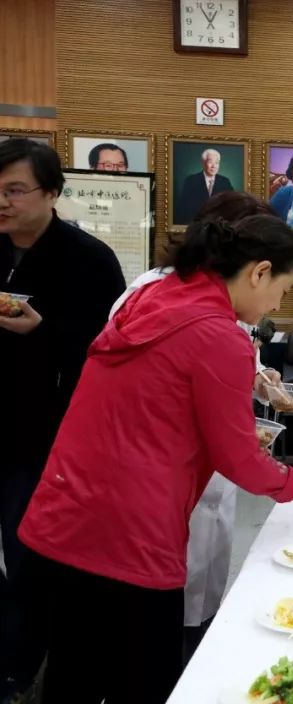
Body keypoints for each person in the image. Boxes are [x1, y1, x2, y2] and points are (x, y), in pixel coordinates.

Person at [16, 212, 293, 704]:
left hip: (68, 510)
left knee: (74, 670)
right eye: (283, 288)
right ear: (258, 271)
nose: (278, 302)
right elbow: (239, 460)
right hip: (134, 531)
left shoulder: (154, 297)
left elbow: (154, 399)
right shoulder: (217, 333)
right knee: (148, 678)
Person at [107, 191, 286, 666]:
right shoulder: (153, 290)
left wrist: (259, 378)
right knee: (153, 628)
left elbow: (232, 351)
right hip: (156, 479)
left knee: (201, 600)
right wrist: (291, 483)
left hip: (207, 478)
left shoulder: (224, 292)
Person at [0, 138, 126, 702]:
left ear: (52, 193)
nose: (2, 202)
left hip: (44, 433)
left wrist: (44, 330)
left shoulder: (89, 260)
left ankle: (25, 664)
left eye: (14, 190)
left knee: (29, 555)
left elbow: (112, 350)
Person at [176, 148, 234, 225]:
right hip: (196, 226)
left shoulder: (225, 181)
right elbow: (184, 208)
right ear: (203, 163)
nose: (214, 166)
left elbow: (231, 206)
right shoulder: (191, 181)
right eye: (210, 162)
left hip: (219, 227)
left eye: (217, 163)